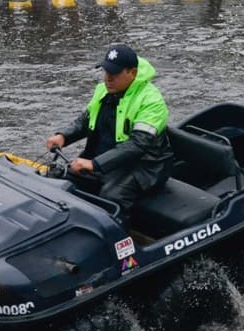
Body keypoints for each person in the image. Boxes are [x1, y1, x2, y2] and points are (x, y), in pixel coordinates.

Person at [44, 45, 173, 228]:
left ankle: (121, 249)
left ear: (132, 72)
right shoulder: (103, 90)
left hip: (143, 165)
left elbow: (137, 145)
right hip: (106, 157)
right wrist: (63, 136)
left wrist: (94, 164)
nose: (107, 78)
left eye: (114, 73)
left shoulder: (152, 101)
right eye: (105, 72)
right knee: (59, 177)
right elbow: (86, 119)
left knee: (111, 199)